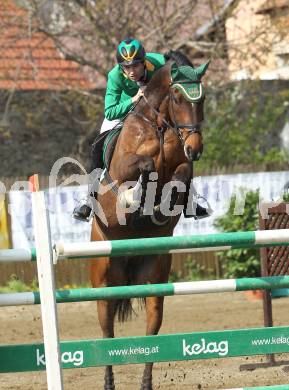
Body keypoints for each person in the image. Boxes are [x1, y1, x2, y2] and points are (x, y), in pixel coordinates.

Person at [73, 38, 210, 222]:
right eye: (126, 67)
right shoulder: (115, 75)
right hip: (123, 112)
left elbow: (177, 63)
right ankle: (89, 199)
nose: (131, 72)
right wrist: (133, 99)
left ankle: (189, 199)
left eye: (136, 66)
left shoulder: (156, 63)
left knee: (180, 144)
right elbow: (110, 111)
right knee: (98, 144)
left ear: (144, 61)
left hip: (153, 115)